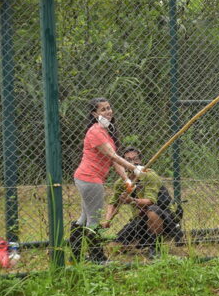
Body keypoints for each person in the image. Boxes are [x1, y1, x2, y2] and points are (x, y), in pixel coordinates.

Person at [69, 98, 145, 263]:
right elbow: (112, 155)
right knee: (94, 219)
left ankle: (75, 255)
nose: (108, 111)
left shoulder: (106, 130)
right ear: (94, 114)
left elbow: (113, 161)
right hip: (90, 179)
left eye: (109, 108)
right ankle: (98, 258)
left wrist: (126, 179)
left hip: (87, 179)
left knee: (84, 218)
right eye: (103, 109)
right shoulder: (95, 131)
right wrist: (134, 168)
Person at [100, 147, 183, 258]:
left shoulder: (149, 175)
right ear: (122, 162)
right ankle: (140, 243)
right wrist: (107, 220)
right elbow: (113, 203)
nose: (133, 162)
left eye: (136, 159)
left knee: (152, 211)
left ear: (141, 160)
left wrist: (132, 200)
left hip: (164, 216)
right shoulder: (121, 183)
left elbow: (150, 201)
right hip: (140, 219)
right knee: (114, 248)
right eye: (128, 160)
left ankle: (155, 248)